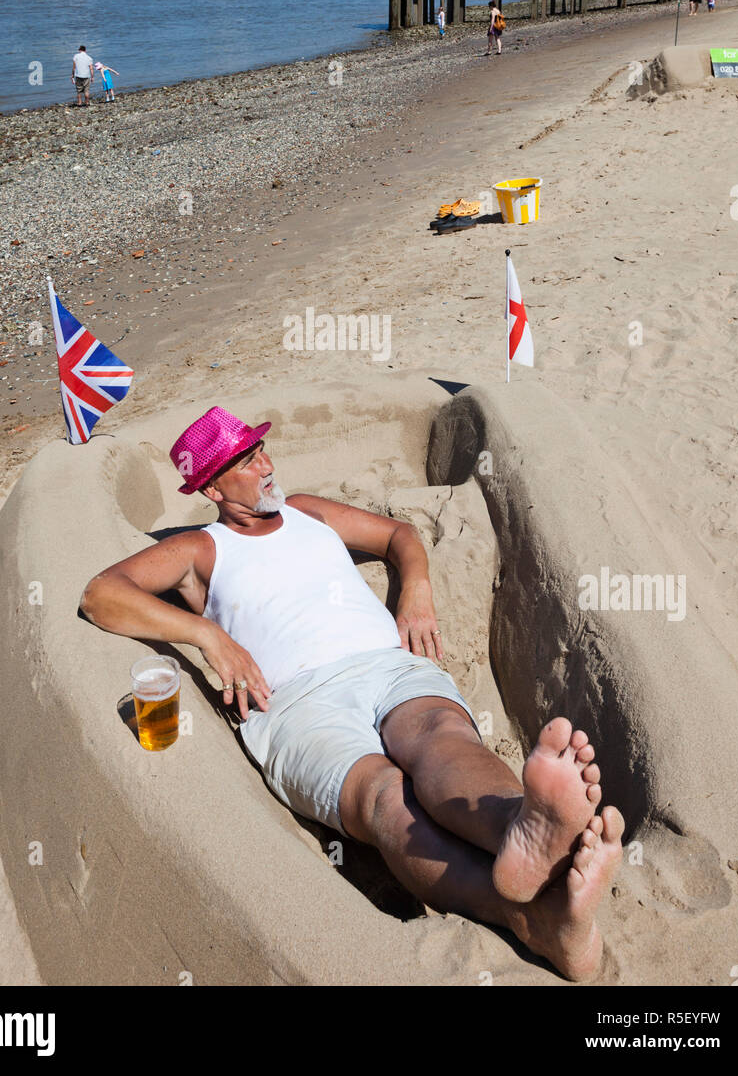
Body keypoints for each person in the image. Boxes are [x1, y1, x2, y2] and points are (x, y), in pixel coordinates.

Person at [82, 408, 624, 982]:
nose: (266, 466)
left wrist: (415, 586)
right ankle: (532, 916)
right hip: (295, 702)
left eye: (261, 451)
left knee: (441, 739)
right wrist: (207, 634)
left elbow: (399, 535)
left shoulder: (306, 511)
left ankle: (519, 827)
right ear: (213, 486)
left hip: (385, 665)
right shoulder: (200, 549)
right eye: (245, 462)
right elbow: (101, 594)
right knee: (385, 796)